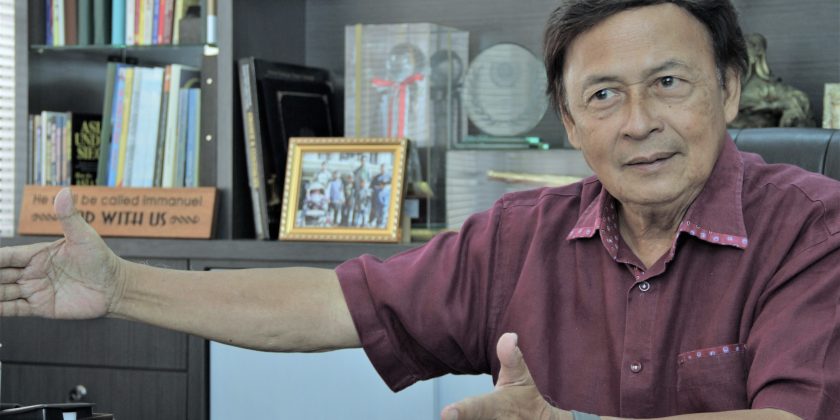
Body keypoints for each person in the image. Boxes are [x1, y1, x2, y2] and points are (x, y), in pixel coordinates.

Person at [0, 1, 835, 419]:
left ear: (730, 89)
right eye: (603, 95)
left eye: (669, 83)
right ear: (570, 121)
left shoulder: (815, 229)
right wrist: (123, 284)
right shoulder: (521, 237)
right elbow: (328, 304)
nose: (639, 121)